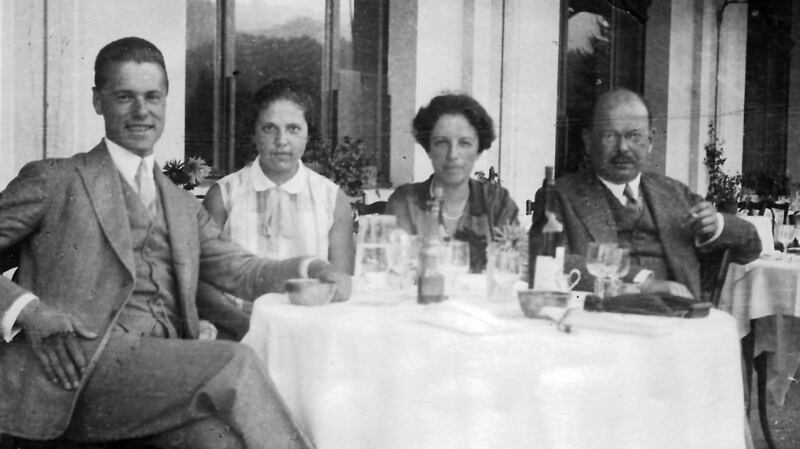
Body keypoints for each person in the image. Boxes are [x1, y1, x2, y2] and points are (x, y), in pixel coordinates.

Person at [0, 37, 350, 448]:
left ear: (166, 101)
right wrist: (28, 311)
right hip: (74, 376)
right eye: (124, 97)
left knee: (218, 441)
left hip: (154, 379)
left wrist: (312, 267)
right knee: (233, 363)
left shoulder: (182, 205)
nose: (141, 110)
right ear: (98, 101)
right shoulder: (57, 179)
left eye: (152, 97)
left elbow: (243, 270)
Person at [531, 87, 761, 299]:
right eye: (610, 135)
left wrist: (718, 225)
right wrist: (641, 283)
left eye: (634, 136)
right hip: (601, 323)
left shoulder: (675, 194)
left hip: (677, 322)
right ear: (588, 141)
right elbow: (548, 265)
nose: (623, 148)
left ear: (650, 142)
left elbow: (750, 248)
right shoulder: (559, 195)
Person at [199, 80, 354, 338]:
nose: (281, 140)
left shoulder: (332, 199)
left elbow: (340, 284)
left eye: (293, 129)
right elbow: (202, 281)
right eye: (269, 128)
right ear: (253, 133)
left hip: (309, 333)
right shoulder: (224, 195)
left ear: (308, 134)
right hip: (236, 332)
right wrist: (246, 328)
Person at [386, 94, 519, 272]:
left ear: (478, 150)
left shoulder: (498, 202)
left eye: (464, 143)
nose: (452, 155)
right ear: (429, 149)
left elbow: (514, 269)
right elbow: (397, 270)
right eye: (441, 142)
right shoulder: (406, 201)